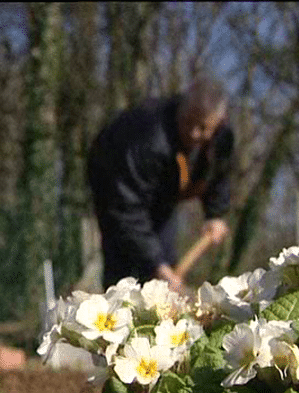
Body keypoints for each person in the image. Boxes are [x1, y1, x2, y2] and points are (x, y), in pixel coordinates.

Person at [87, 75, 234, 294]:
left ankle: (163, 309)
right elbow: (127, 210)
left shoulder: (221, 138)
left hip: (163, 191)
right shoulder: (148, 138)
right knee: (126, 264)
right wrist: (157, 266)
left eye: (203, 128)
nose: (194, 133)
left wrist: (215, 213)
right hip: (114, 183)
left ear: (218, 123)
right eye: (188, 122)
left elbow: (218, 172)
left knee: (165, 260)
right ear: (181, 109)